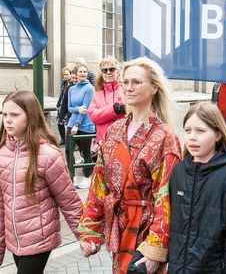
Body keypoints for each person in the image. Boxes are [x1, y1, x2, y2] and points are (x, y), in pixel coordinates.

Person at [78, 57, 181, 274]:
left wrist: (155, 250)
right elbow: (99, 185)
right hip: (120, 226)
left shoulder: (165, 137)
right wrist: (90, 231)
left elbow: (166, 198)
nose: (129, 87)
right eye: (125, 82)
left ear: (154, 87)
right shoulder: (114, 131)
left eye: (136, 82)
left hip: (148, 229)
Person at [0, 90, 83, 273]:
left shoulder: (47, 155)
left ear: (30, 116)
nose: (8, 120)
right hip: (15, 239)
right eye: (4, 114)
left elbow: (68, 200)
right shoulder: (0, 156)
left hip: (40, 237)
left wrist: (85, 236)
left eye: (14, 115)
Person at [168, 102, 226, 273]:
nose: (192, 137)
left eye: (200, 131)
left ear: (218, 134)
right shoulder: (179, 172)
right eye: (188, 130)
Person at [67, 63, 96, 189]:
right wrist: (78, 109)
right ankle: (71, 177)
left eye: (85, 71)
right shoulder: (71, 89)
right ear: (76, 73)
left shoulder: (89, 88)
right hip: (72, 123)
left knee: (85, 153)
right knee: (68, 151)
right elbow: (70, 108)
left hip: (85, 125)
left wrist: (77, 125)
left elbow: (86, 109)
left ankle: (87, 177)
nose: (83, 73)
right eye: (80, 71)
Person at [88, 57, 125, 149]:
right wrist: (115, 108)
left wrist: (103, 114)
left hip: (122, 141)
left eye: (112, 69)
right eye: (105, 70)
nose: (108, 72)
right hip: (103, 142)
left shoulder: (125, 91)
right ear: (102, 73)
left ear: (118, 72)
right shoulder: (97, 95)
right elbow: (93, 116)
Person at [55, 66, 74, 146]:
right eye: (64, 74)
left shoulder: (72, 84)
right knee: (59, 121)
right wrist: (58, 104)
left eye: (67, 74)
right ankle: (63, 139)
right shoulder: (64, 83)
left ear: (70, 74)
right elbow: (61, 95)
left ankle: (71, 141)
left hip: (68, 107)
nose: (65, 76)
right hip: (62, 105)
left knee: (68, 124)